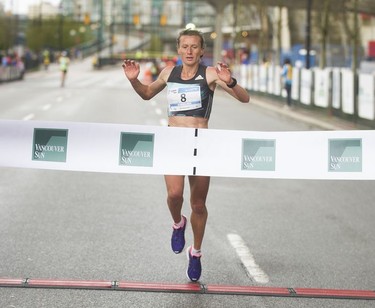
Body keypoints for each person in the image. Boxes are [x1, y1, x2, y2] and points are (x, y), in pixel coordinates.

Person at [122, 29, 250, 282]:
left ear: (202, 51)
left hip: (201, 143)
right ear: (179, 50)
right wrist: (134, 80)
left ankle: (196, 252)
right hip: (174, 140)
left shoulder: (211, 74)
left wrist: (231, 81)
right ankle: (178, 223)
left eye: (194, 47)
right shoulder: (169, 73)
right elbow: (147, 94)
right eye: (185, 46)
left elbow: (245, 99)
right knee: (174, 195)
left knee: (199, 204)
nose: (190, 51)